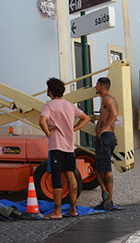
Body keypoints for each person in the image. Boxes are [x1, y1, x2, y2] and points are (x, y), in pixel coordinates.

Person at [39, 78, 90, 219]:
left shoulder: (48, 106)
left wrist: (48, 133)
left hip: (56, 146)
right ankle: (73, 209)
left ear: (50, 91)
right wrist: (74, 129)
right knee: (71, 176)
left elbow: (41, 121)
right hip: (69, 147)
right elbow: (85, 118)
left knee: (56, 178)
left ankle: (57, 211)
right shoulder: (69, 105)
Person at [92, 77, 118, 211]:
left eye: (96, 85)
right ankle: (105, 196)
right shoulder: (107, 99)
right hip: (105, 138)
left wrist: (103, 128)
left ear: (101, 86)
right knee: (97, 167)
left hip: (106, 137)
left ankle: (110, 201)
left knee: (106, 169)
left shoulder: (107, 99)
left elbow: (114, 114)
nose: (95, 87)